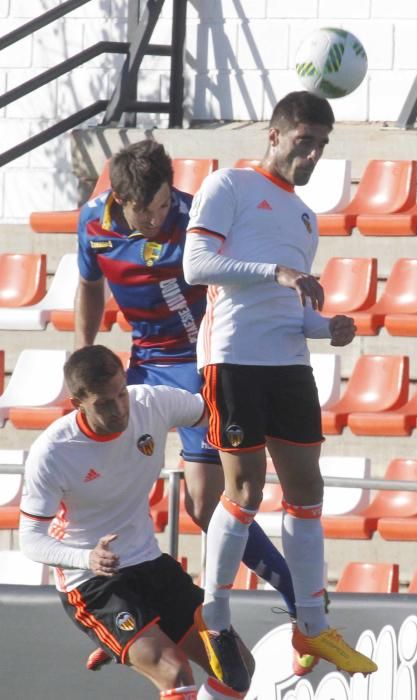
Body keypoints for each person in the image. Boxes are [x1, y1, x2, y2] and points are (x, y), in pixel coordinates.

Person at [74, 140, 311, 677]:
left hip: (203, 361)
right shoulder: (93, 223)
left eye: (164, 206)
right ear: (120, 200)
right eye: (147, 211)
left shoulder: (196, 216)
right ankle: (127, 623)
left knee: (205, 507)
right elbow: (89, 285)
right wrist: (84, 350)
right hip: (143, 368)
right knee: (107, 489)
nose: (159, 218)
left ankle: (295, 593)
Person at [183, 90, 378, 684]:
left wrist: (327, 327)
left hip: (289, 363)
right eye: (304, 141)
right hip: (234, 358)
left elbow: (289, 310)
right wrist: (278, 270)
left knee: (307, 491)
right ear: (275, 135)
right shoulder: (229, 186)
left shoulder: (304, 218)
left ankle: (312, 624)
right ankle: (214, 615)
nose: (314, 154)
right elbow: (195, 266)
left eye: (322, 145)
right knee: (243, 492)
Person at [19, 345, 254, 698]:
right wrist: (87, 558)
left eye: (120, 394)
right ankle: (121, 637)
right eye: (104, 403)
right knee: (175, 672)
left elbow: (214, 412)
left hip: (148, 563)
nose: (119, 409)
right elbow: (31, 539)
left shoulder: (150, 403)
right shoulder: (54, 451)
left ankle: (126, 640)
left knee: (237, 668)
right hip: (94, 581)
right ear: (77, 403)